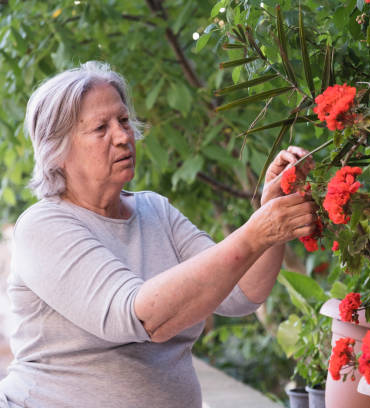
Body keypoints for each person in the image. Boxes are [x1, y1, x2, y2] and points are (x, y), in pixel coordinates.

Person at [0, 61, 317, 408]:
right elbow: (137, 317)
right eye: (100, 128)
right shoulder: (44, 226)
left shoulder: (155, 210)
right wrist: (256, 233)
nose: (123, 136)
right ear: (57, 151)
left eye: (123, 121)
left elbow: (241, 293)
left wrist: (271, 217)